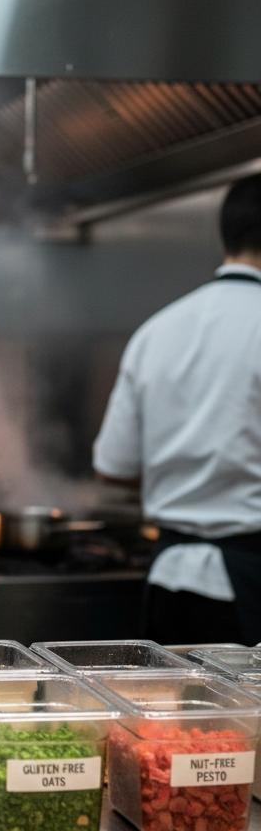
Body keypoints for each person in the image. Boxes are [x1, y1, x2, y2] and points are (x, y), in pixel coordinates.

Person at [94, 173, 261, 644]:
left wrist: (183, 475)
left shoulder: (157, 331)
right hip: (252, 581)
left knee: (175, 696)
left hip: (171, 584)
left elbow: (113, 466)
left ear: (225, 238)